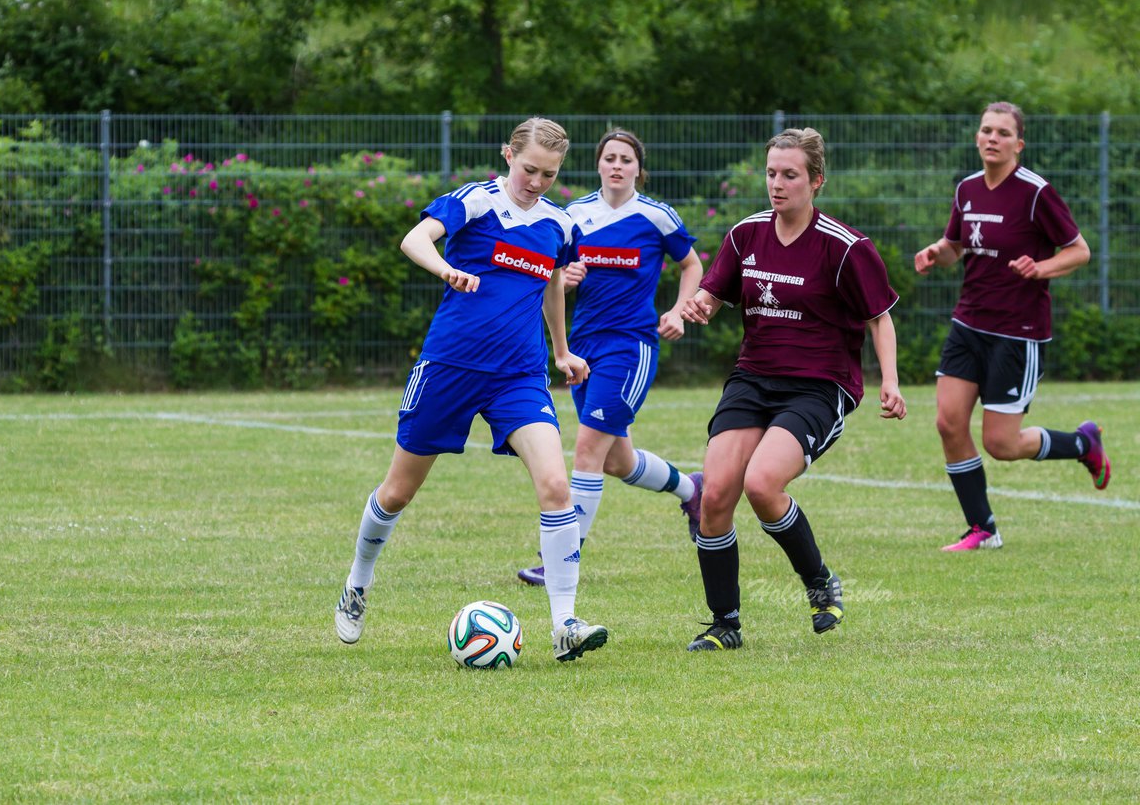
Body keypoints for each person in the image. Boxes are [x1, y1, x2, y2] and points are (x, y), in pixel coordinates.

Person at [333, 117, 610, 662]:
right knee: (397, 493)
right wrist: (446, 271)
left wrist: (560, 351)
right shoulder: (477, 202)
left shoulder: (558, 224)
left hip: (519, 375)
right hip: (451, 366)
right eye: (529, 169)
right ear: (508, 155)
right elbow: (415, 239)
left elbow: (554, 280)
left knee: (557, 486)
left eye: (549, 175)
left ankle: (564, 625)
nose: (536, 182)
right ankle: (357, 584)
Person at [680, 127, 906, 651]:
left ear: (816, 180)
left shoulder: (845, 247)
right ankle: (725, 624)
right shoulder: (746, 235)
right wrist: (700, 307)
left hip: (819, 386)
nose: (777, 185)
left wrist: (889, 382)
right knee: (715, 495)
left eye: (790, 175)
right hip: (753, 378)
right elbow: (713, 296)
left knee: (761, 484)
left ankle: (819, 581)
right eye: (771, 173)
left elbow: (880, 318)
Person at [914, 101, 1110, 552]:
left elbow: (1079, 251)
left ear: (1018, 144)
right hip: (969, 323)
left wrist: (1040, 268)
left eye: (1003, 133)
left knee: (1001, 443)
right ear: (977, 137)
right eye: (986, 130)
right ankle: (983, 529)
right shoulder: (966, 189)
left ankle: (1083, 444)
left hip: (1017, 333)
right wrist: (934, 253)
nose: (992, 139)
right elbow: (955, 245)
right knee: (948, 423)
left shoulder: (1035, 192)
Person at [516, 128, 705, 587]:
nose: (617, 165)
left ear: (639, 168)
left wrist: (679, 310)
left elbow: (693, 266)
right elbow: (553, 271)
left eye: (626, 159)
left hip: (631, 346)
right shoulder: (574, 215)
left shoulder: (656, 216)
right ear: (598, 165)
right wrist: (568, 275)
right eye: (609, 158)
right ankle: (692, 489)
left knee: (586, 449)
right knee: (616, 461)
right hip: (583, 347)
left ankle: (560, 557)